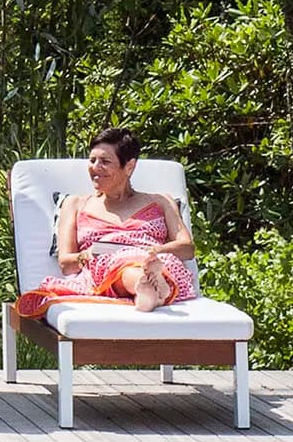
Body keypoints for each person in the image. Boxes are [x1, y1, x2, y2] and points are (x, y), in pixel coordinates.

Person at [49, 128, 199, 310]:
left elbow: (187, 248)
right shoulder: (75, 204)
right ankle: (149, 286)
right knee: (118, 265)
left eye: (105, 162)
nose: (95, 167)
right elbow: (65, 263)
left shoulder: (161, 201)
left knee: (146, 263)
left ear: (129, 167)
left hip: (154, 261)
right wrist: (85, 256)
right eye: (92, 160)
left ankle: (148, 288)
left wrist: (154, 251)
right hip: (104, 269)